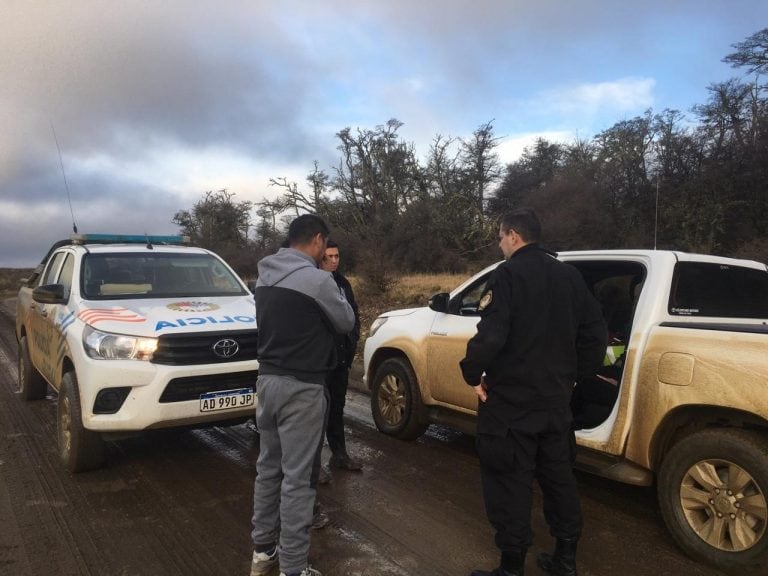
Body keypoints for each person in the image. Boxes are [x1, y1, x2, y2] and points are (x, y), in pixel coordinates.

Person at [460, 208, 607, 576]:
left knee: (509, 481)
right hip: (555, 404)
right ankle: (565, 560)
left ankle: (511, 568)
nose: (499, 244)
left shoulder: (507, 275)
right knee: (558, 478)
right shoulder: (570, 276)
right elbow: (596, 335)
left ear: (513, 236)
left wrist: (471, 373)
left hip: (510, 406)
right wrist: (576, 376)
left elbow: (491, 335)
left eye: (499, 237)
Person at [249, 214, 355, 576]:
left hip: (267, 382)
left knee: (268, 469)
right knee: (299, 480)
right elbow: (346, 322)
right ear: (318, 240)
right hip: (303, 388)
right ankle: (293, 568)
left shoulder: (262, 277)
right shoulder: (318, 280)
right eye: (324, 245)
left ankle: (263, 552)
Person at [319, 240, 362, 472]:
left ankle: (339, 454)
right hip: (320, 361)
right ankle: (312, 465)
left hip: (341, 359)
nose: (334, 261)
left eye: (337, 256)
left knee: (337, 408)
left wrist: (353, 340)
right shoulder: (314, 283)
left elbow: (354, 314)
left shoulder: (343, 283)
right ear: (320, 257)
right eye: (329, 257)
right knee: (316, 412)